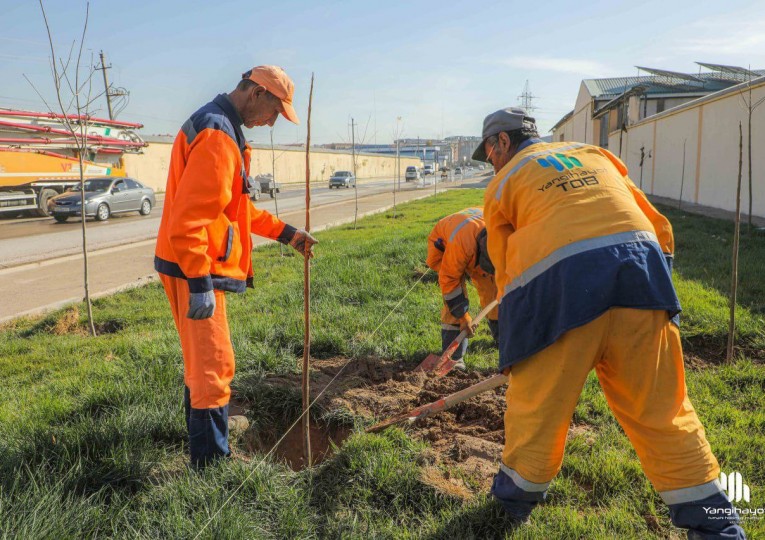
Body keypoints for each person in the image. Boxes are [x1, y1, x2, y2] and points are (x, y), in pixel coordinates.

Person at [474, 107, 745, 538]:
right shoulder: (595, 154)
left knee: (537, 410)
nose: (489, 161)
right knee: (663, 412)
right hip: (640, 279)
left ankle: (510, 507)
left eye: (488, 152)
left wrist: (517, 340)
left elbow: (507, 270)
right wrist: (656, 298)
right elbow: (659, 226)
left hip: (561, 294)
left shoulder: (503, 183)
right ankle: (718, 527)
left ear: (502, 143)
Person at [154, 65, 317, 468]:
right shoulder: (217, 136)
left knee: (204, 361)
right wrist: (199, 281)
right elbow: (188, 220)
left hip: (191, 264)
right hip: (193, 267)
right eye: (274, 111)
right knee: (214, 365)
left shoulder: (223, 129)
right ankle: (211, 466)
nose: (272, 122)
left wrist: (287, 233)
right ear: (255, 93)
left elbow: (236, 210)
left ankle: (203, 440)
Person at [425, 208, 498, 369]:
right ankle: (454, 358)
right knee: (454, 302)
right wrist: (463, 316)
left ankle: (502, 338)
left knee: (494, 291)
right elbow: (449, 281)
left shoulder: (503, 232)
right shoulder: (461, 244)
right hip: (444, 245)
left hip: (473, 242)